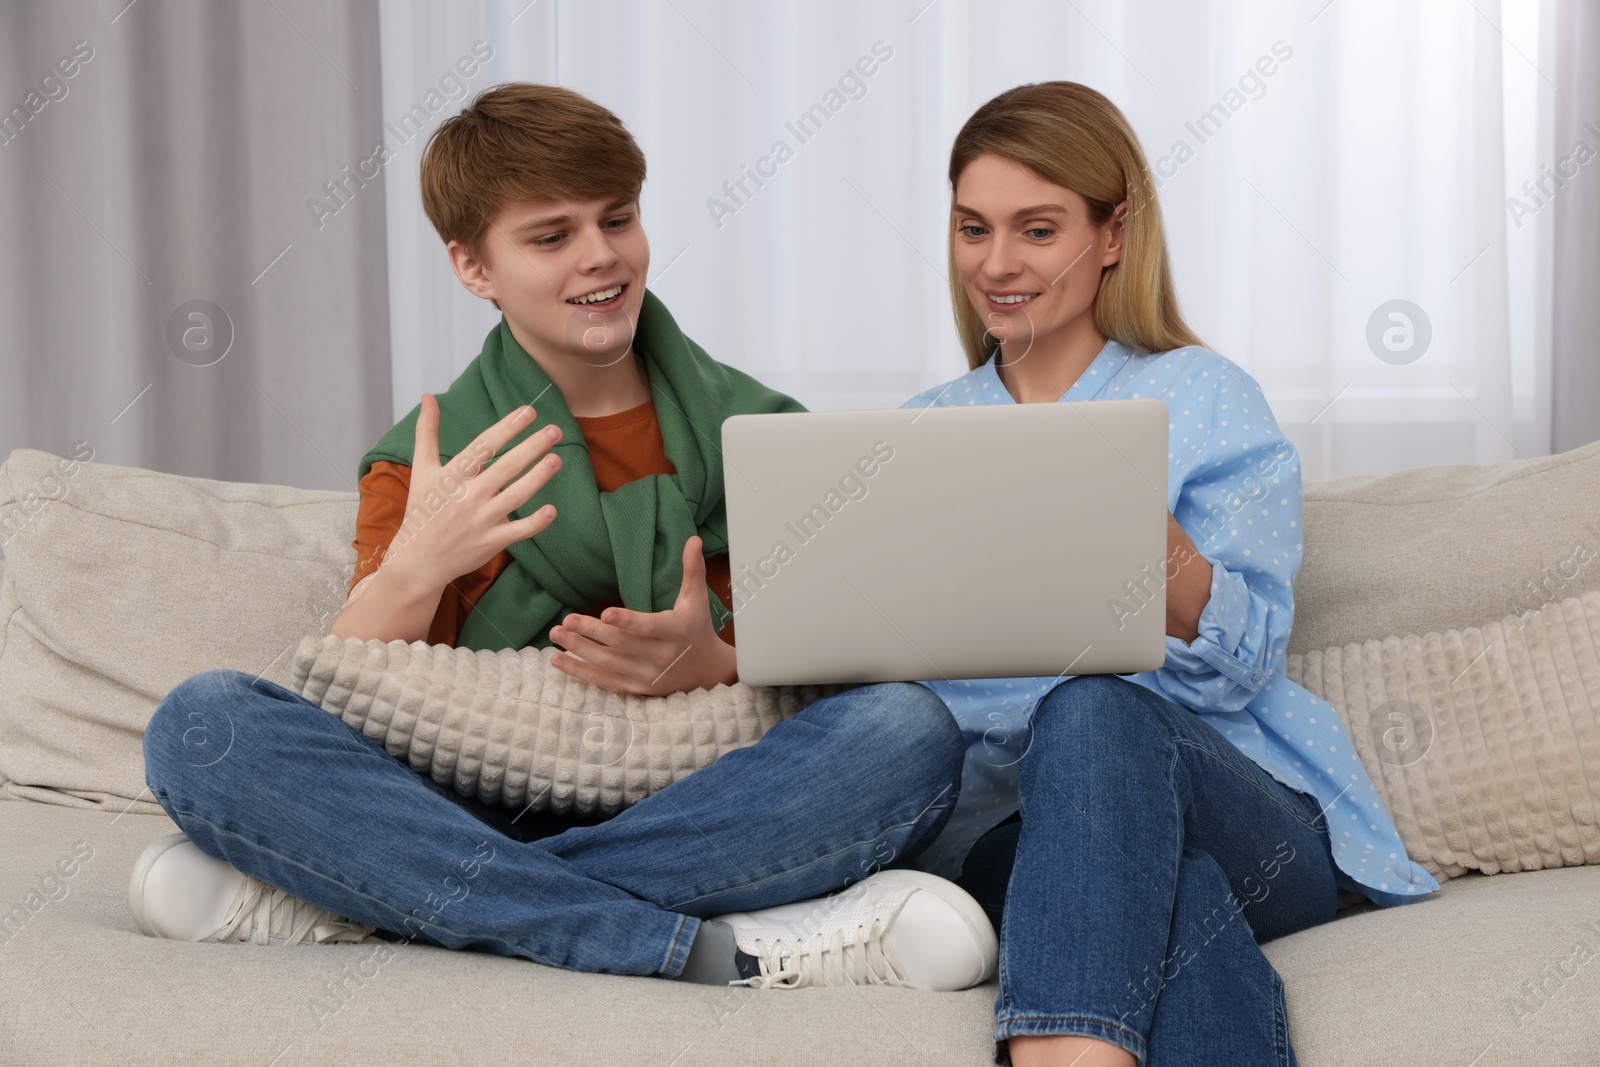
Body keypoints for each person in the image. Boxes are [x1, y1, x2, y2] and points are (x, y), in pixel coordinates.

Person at [127, 82, 997, 994]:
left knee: (910, 729)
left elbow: (846, 657)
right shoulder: (429, 460)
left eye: (616, 219)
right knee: (203, 724)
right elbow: (349, 707)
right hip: (463, 803)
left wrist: (719, 661)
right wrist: (415, 566)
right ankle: (699, 940)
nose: (601, 257)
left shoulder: (764, 435)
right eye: (551, 236)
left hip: (702, 801)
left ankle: (375, 902)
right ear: (473, 266)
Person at [894, 82, 1442, 1066]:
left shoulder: (1203, 396)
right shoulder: (920, 431)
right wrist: (723, 648)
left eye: (1037, 227)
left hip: (1246, 814)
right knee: (1160, 884)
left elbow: (1246, 660)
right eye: (973, 227)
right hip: (1014, 828)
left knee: (1095, 707)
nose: (996, 261)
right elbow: (893, 667)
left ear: (1113, 234)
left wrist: (1138, 529)